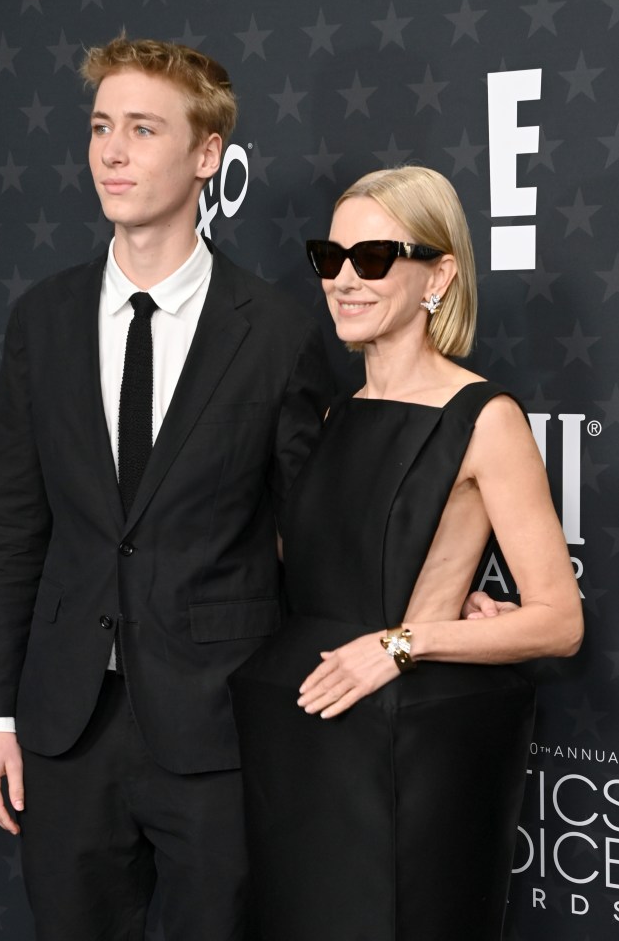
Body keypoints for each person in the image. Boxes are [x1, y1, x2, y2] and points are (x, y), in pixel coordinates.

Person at [0, 35, 334, 941]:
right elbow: (13, 528)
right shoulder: (41, 320)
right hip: (64, 728)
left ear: (207, 155)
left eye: (141, 129)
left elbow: (314, 541)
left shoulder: (278, 333)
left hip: (218, 728)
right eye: (100, 128)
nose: (112, 153)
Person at [229, 166, 583, 941]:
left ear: (439, 274)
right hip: (299, 739)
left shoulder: (482, 417)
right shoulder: (329, 412)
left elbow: (558, 622)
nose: (345, 280)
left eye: (375, 258)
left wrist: (402, 642)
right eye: (331, 258)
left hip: (403, 746)